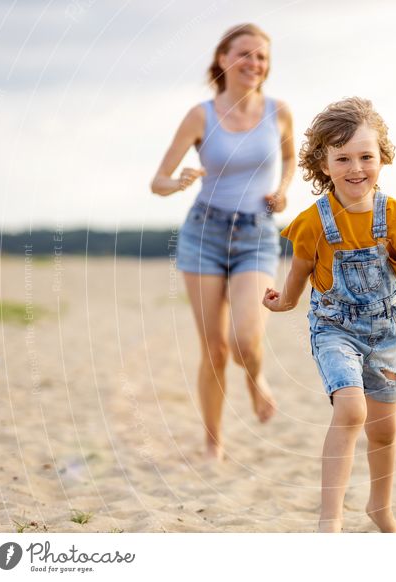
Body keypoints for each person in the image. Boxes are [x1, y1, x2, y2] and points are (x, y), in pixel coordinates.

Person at [263, 97, 396, 532]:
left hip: (386, 334)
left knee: (383, 431)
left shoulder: (395, 216)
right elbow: (299, 274)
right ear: (323, 164)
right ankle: (331, 521)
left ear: (382, 157)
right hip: (334, 329)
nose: (356, 168)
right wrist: (284, 302)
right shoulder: (313, 222)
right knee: (350, 411)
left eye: (366, 156)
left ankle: (379, 507)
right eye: (342, 158)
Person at [151, 24, 294, 460]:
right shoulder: (201, 114)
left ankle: (255, 379)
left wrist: (284, 189)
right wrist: (180, 182)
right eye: (245, 54)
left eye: (262, 57)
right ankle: (213, 441)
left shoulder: (279, 111)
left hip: (256, 234)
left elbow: (289, 158)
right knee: (214, 349)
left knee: (246, 339)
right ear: (222, 59)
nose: (254, 63)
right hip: (204, 235)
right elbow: (157, 181)